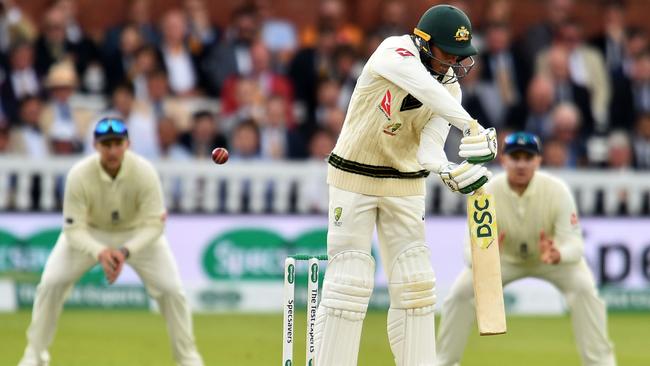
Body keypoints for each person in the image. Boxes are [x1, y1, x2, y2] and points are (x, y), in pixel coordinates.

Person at [313, 4, 498, 366]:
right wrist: (473, 127)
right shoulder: (393, 52)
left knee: (416, 285)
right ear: (425, 43)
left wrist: (450, 172)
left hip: (406, 184)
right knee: (349, 282)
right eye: (449, 54)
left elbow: (428, 151)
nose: (454, 65)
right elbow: (423, 88)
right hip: (354, 177)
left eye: (461, 57)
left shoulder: (451, 90)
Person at [17, 118, 204, 366]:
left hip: (136, 234)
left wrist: (125, 252)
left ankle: (188, 359)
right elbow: (73, 229)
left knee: (171, 290)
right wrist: (100, 252)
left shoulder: (144, 172)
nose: (112, 151)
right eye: (106, 144)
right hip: (91, 233)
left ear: (128, 144)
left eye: (117, 143)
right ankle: (34, 355)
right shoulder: (80, 174)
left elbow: (155, 224)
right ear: (95, 145)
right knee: (51, 283)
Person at [435, 132, 617, 366]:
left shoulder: (557, 191)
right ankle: (444, 362)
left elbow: (575, 244)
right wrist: (486, 257)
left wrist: (558, 253)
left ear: (538, 161)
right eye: (515, 157)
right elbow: (469, 252)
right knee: (460, 294)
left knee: (584, 289)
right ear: (504, 160)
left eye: (527, 157)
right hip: (503, 260)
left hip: (549, 259)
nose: (521, 164)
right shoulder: (485, 193)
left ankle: (600, 362)